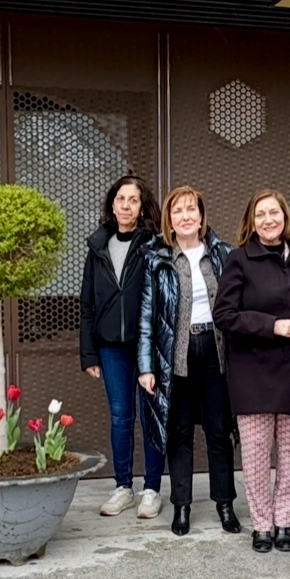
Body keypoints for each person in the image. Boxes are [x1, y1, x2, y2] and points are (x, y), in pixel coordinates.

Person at [213, 190, 290, 553]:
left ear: (285, 216)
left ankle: (284, 521)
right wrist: (271, 325)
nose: (268, 220)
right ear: (251, 221)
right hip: (254, 373)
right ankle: (261, 524)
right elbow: (224, 315)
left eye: (274, 212)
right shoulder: (239, 259)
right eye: (261, 215)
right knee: (257, 455)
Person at [137, 185, 238, 536]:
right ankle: (181, 506)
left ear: (201, 215)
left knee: (218, 431)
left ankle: (225, 504)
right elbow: (147, 316)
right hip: (174, 356)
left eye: (191, 209)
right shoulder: (157, 258)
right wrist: (146, 366)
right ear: (169, 219)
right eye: (177, 210)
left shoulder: (223, 253)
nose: (185, 216)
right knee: (178, 433)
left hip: (214, 348)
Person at [81, 175, 167, 519]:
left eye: (134, 199)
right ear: (112, 204)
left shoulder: (155, 244)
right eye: (121, 199)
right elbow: (87, 303)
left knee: (150, 417)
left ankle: (152, 489)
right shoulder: (98, 245)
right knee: (120, 417)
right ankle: (122, 487)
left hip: (146, 346)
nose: (127, 205)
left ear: (143, 205)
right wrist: (88, 352)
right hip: (110, 348)